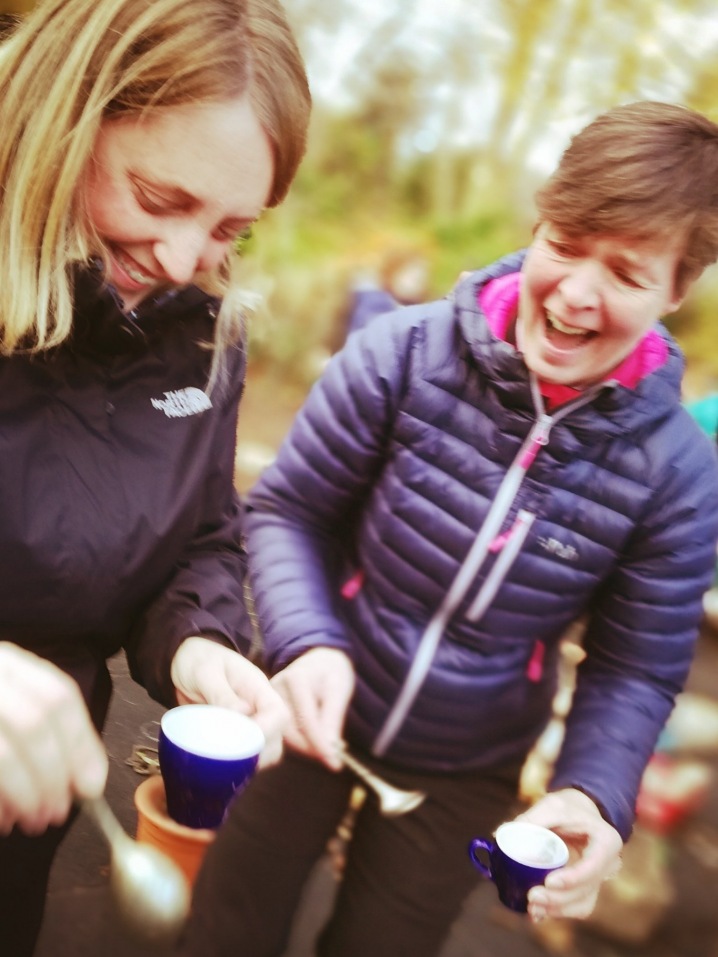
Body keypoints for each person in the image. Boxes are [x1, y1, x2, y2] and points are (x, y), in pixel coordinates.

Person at [178, 99, 718, 957]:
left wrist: (594, 791)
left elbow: (636, 664)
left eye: (624, 273)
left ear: (677, 290)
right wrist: (307, 640)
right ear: (538, 224)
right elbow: (289, 509)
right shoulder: (399, 355)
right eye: (565, 244)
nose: (575, 293)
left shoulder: (680, 474)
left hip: (468, 761)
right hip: (308, 701)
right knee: (226, 924)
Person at [0, 0, 310, 953]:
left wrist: (198, 645)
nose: (181, 260)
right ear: (59, 122)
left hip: (38, 790)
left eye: (231, 229)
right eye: (158, 198)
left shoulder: (202, 334)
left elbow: (202, 531)